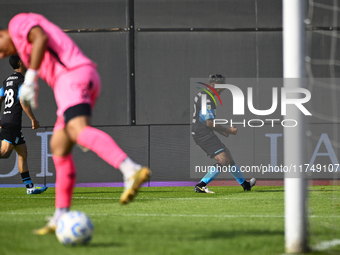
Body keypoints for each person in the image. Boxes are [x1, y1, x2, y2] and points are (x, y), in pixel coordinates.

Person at [0, 13, 150, 234]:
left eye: (0, 49)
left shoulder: (17, 23)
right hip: (70, 81)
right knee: (59, 145)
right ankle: (60, 215)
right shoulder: (22, 50)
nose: (3, 54)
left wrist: (31, 79)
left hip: (72, 76)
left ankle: (131, 169)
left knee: (78, 130)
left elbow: (40, 37)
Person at [192, 74, 256, 193]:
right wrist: (228, 130)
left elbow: (207, 122)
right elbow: (209, 123)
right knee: (224, 160)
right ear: (216, 85)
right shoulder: (207, 98)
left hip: (204, 131)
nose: (224, 89)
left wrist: (223, 132)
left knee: (229, 157)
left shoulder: (205, 95)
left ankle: (245, 185)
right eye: (223, 86)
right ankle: (201, 185)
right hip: (202, 133)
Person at [0, 54, 46, 194]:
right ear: (20, 63)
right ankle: (30, 188)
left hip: (8, 120)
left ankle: (30, 188)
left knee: (23, 152)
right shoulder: (22, 81)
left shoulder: (7, 81)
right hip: (13, 122)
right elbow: (22, 101)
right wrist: (33, 119)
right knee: (4, 153)